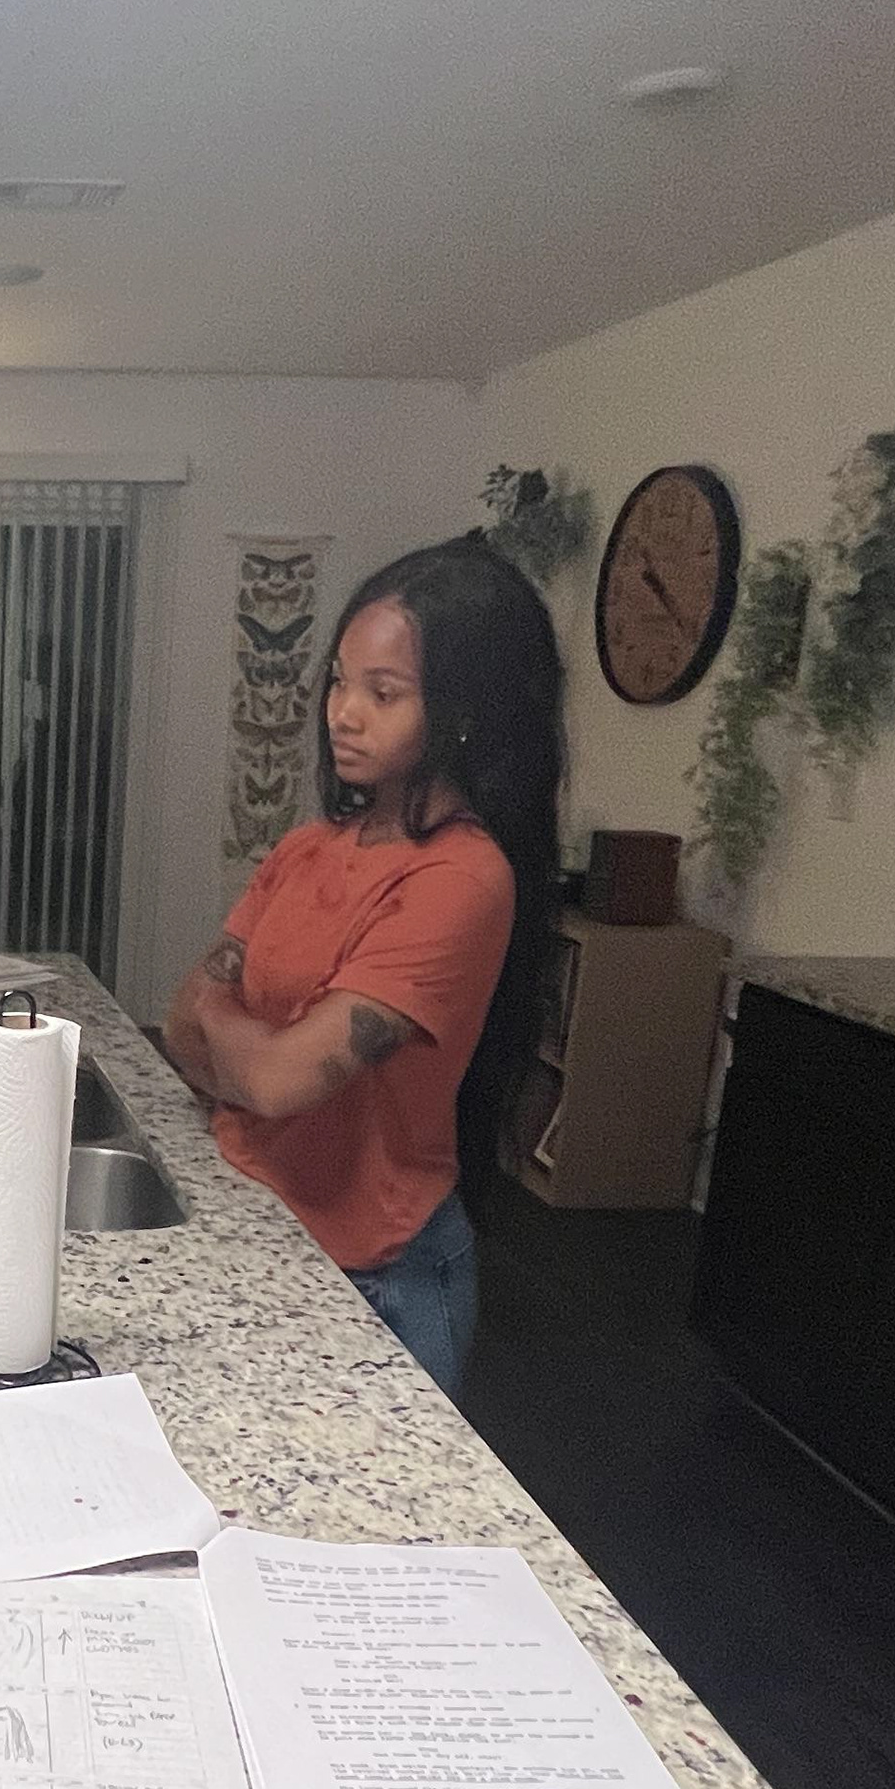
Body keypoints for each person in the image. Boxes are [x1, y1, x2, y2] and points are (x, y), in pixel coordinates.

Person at [164, 537, 565, 1393]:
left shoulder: (460, 878)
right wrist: (247, 1053)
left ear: (461, 711)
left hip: (379, 1277)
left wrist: (229, 1027)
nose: (343, 713)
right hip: (263, 1225)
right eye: (340, 683)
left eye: (383, 694)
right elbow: (177, 1027)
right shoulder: (310, 847)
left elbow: (278, 1079)